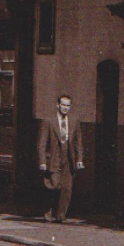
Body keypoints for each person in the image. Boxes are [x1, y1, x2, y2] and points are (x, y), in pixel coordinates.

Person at [37, 94, 84, 223]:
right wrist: (42, 161)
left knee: (67, 189)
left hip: (68, 158)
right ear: (58, 105)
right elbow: (42, 143)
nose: (65, 108)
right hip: (54, 157)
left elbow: (78, 142)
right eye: (63, 105)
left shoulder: (74, 121)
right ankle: (48, 211)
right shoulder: (49, 121)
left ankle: (60, 215)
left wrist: (79, 159)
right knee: (54, 185)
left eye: (68, 106)